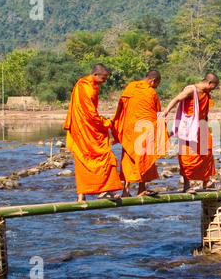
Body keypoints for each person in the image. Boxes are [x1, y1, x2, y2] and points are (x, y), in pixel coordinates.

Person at [63, 64, 122, 202]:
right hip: (86, 130)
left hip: (79, 129)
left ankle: (81, 195)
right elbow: (91, 116)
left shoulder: (81, 84)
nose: (104, 82)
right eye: (103, 78)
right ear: (95, 75)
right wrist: (106, 123)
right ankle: (103, 191)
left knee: (81, 159)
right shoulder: (87, 88)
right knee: (105, 155)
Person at [112, 70, 170, 197]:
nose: (156, 87)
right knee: (146, 158)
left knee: (128, 158)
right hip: (145, 130)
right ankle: (141, 188)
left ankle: (125, 191)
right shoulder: (150, 92)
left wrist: (117, 123)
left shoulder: (130, 87)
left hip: (130, 129)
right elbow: (156, 112)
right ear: (153, 81)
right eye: (157, 84)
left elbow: (120, 107)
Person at [161, 72, 220, 193]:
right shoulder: (191, 90)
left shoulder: (205, 93)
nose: (213, 90)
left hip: (202, 126)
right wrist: (165, 112)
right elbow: (176, 99)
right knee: (187, 155)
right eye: (214, 86)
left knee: (207, 153)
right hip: (189, 127)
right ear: (209, 83)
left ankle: (206, 182)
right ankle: (187, 185)